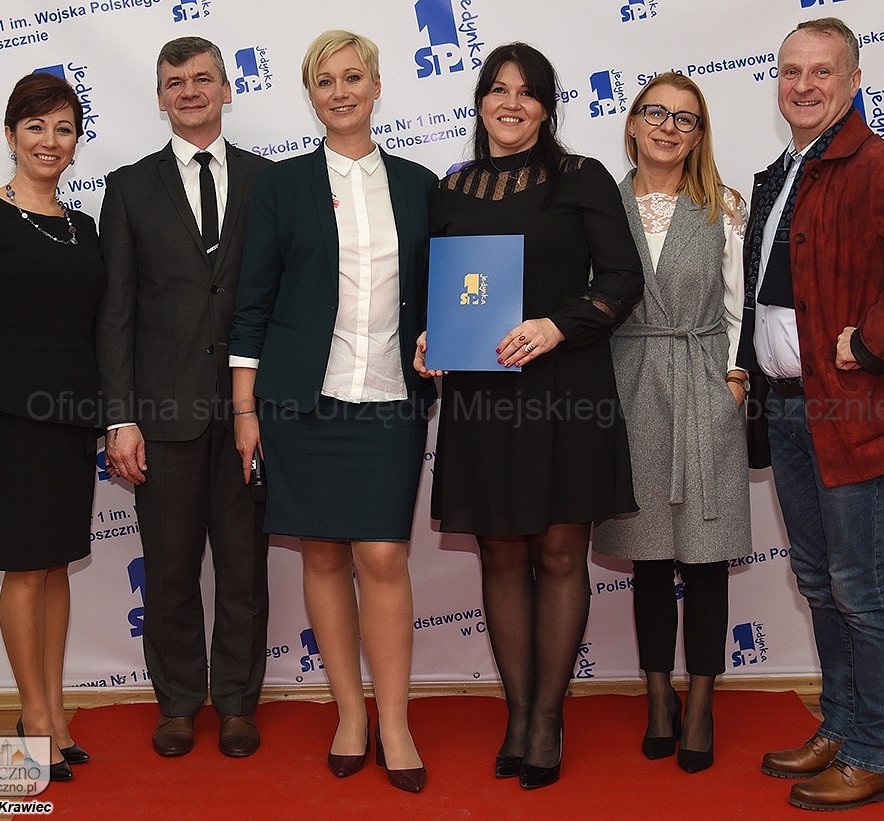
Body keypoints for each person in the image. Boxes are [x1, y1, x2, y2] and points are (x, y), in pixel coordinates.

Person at [735, 17, 884, 811]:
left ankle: (875, 752)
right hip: (788, 409)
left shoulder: (880, 165)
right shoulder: (781, 173)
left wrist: (871, 340)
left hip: (853, 410)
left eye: (821, 72)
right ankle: (838, 727)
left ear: (853, 81)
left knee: (860, 587)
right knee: (816, 577)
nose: (803, 85)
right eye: (790, 71)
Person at [415, 42, 644, 789]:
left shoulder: (581, 177)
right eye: (498, 90)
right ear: (480, 101)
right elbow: (441, 288)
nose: (511, 104)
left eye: (528, 92)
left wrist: (556, 325)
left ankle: (548, 718)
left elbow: (622, 279)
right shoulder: (451, 188)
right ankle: (517, 713)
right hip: (484, 396)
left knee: (560, 554)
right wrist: (430, 335)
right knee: (501, 553)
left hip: (564, 386)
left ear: (547, 107)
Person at [229, 30, 436, 793]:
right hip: (300, 401)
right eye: (325, 80)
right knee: (320, 554)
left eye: (353, 77)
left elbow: (442, 291)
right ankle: (350, 712)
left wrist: (441, 337)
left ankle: (396, 721)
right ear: (311, 94)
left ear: (378, 86)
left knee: (381, 555)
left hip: (389, 398)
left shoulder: (420, 185)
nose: (341, 91)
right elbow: (252, 303)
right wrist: (245, 407)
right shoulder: (281, 186)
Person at [96, 37, 271, 758]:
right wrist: (120, 416)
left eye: (203, 78)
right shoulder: (129, 187)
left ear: (227, 90)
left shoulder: (271, 181)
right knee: (168, 569)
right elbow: (115, 311)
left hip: (249, 414)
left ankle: (235, 703)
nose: (190, 90)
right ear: (162, 97)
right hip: (161, 415)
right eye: (176, 81)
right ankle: (177, 703)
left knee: (244, 566)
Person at [0, 72, 104, 781]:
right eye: (35, 127)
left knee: (57, 563)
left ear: (76, 142)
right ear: (11, 135)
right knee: (25, 568)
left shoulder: (84, 227)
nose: (49, 140)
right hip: (8, 421)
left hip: (72, 418)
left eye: (63, 128)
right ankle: (33, 714)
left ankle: (56, 710)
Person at [591, 72, 751, 774]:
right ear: (631, 123)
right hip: (628, 388)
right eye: (655, 112)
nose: (667, 127)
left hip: (703, 382)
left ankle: (704, 701)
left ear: (698, 135)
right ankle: (659, 695)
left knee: (706, 555)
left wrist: (735, 381)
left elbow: (741, 303)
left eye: (685, 118)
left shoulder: (724, 205)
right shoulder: (603, 205)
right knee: (649, 553)